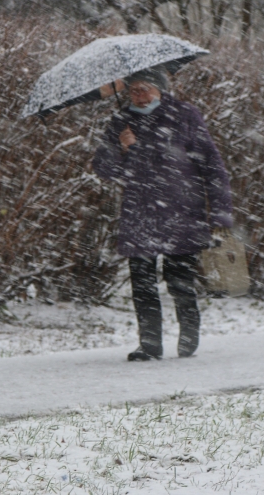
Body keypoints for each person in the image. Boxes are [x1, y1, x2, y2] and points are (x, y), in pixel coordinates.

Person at [93, 66, 233, 361]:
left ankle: (189, 334)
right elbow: (104, 169)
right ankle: (150, 344)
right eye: (134, 90)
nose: (140, 96)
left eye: (146, 89)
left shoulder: (184, 115)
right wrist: (122, 148)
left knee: (179, 279)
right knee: (142, 282)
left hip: (182, 210)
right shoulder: (121, 121)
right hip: (139, 212)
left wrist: (220, 213)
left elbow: (212, 165)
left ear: (161, 89)